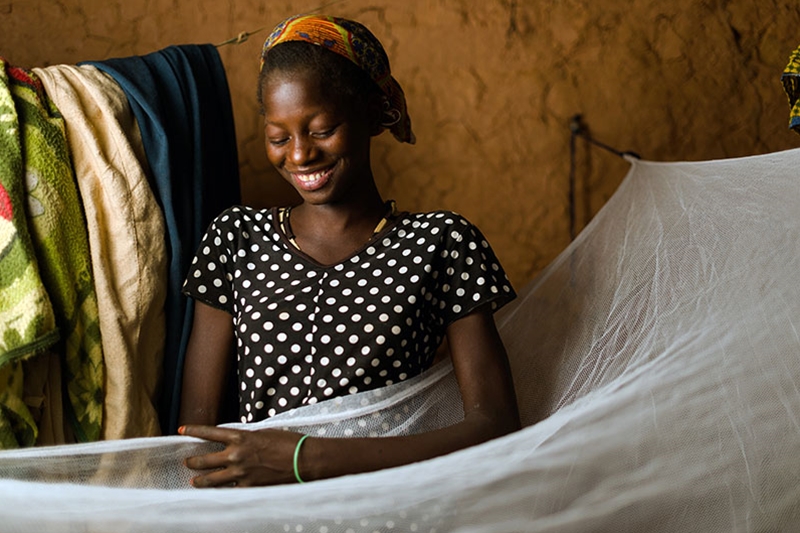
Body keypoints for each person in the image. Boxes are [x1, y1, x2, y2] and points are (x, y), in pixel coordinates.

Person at [177, 13, 521, 488]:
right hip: (261, 516)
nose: (299, 155)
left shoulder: (441, 243)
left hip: (394, 510)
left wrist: (308, 459)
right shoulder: (236, 239)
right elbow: (196, 439)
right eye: (279, 137)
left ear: (373, 114)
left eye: (321, 130)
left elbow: (495, 428)